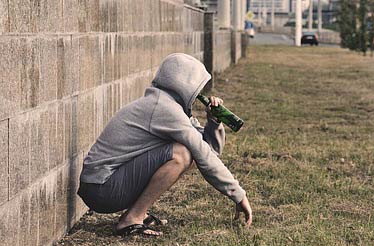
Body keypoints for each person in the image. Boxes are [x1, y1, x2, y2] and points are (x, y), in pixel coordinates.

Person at [77, 53, 252, 236]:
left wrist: (214, 122)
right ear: (185, 85)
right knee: (182, 154)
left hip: (104, 184)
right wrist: (239, 195)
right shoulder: (164, 109)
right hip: (101, 188)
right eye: (197, 87)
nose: (199, 94)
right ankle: (132, 219)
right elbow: (203, 154)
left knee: (188, 153)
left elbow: (209, 151)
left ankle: (139, 213)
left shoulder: (169, 105)